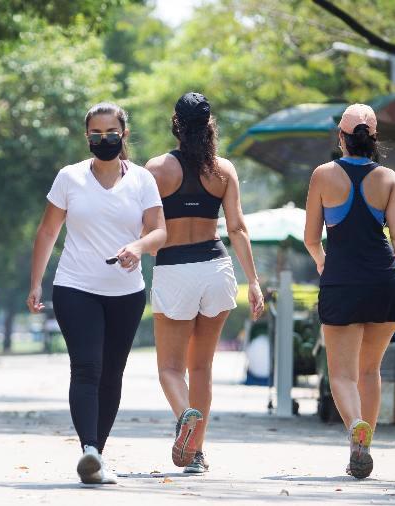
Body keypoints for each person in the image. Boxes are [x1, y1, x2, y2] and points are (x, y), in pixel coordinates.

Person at [27, 102, 166, 485]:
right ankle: (89, 448)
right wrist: (36, 282)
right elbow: (47, 233)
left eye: (110, 132)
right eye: (95, 133)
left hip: (126, 292)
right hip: (76, 286)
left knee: (112, 374)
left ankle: (97, 456)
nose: (103, 139)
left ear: (124, 134)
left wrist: (137, 248)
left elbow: (159, 232)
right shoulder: (69, 178)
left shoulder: (141, 180)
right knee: (87, 367)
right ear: (86, 136)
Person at [146, 92, 264, 474]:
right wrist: (255, 283)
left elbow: (148, 230)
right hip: (217, 268)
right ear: (210, 125)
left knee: (169, 369)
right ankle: (196, 453)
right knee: (202, 369)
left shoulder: (158, 169)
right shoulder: (223, 170)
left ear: (176, 124)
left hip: (175, 269)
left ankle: (185, 416)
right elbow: (237, 228)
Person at [303, 104, 395, 479]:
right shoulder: (388, 179)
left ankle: (355, 426)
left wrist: (324, 262)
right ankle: (364, 446)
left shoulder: (323, 175)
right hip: (384, 283)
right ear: (374, 139)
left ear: (341, 136)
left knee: (342, 374)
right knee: (370, 370)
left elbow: (311, 238)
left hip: (342, 282)